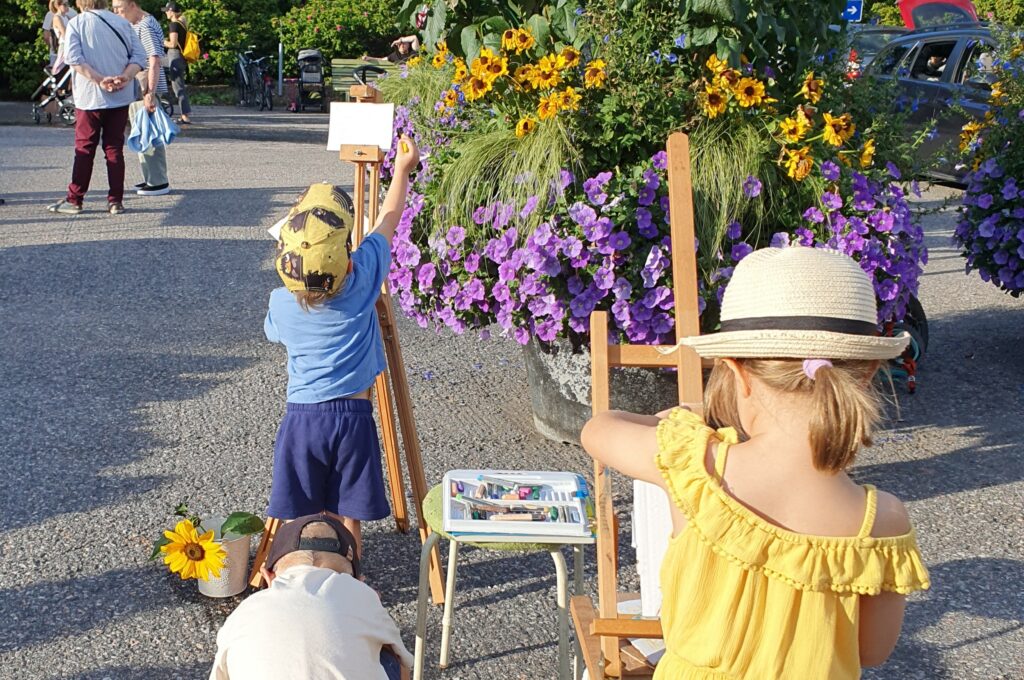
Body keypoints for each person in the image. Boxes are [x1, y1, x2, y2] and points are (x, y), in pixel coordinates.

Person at [581, 246, 931, 679]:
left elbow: (598, 429)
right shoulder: (883, 521)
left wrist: (689, 418)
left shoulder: (696, 465)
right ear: (865, 372)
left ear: (736, 371)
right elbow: (872, 651)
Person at [263, 136, 419, 555]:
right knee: (347, 511)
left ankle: (298, 571)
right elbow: (389, 218)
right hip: (354, 417)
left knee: (300, 511)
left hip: (302, 420)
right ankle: (351, 574)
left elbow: (272, 331)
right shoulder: (362, 281)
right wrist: (401, 169)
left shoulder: (281, 303)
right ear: (347, 259)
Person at [209, 513, 413, 680]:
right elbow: (406, 661)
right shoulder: (362, 596)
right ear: (357, 579)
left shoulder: (244, 612)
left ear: (267, 576)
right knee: (391, 656)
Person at [47, 0, 146, 215]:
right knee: (114, 149)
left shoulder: (77, 23)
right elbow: (139, 57)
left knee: (84, 148)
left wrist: (100, 79)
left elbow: (73, 58)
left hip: (89, 97)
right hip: (119, 96)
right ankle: (115, 201)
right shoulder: (122, 24)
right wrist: (126, 77)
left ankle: (75, 199)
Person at [112, 0, 171, 196]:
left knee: (149, 133)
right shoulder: (139, 23)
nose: (119, 15)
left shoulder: (145, 25)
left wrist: (150, 94)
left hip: (146, 85)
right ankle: (151, 178)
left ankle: (158, 181)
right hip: (141, 84)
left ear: (132, 5)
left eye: (120, 10)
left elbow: (154, 60)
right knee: (143, 130)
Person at [161, 1, 192, 124]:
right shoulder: (182, 24)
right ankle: (183, 113)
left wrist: (162, 41)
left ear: (172, 12)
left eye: (167, 11)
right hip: (180, 58)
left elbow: (173, 44)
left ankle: (185, 116)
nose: (166, 13)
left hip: (174, 56)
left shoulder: (174, 25)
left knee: (178, 87)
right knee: (179, 86)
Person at [42, 0, 77, 68]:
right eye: (65, 4)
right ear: (58, 6)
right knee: (60, 70)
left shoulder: (66, 16)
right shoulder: (57, 17)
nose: (68, 6)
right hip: (64, 45)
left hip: (68, 44)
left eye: (68, 3)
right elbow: (65, 34)